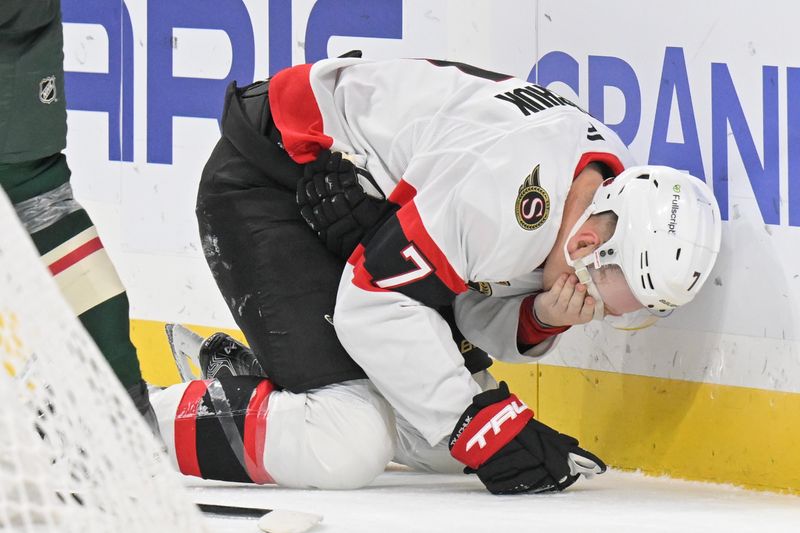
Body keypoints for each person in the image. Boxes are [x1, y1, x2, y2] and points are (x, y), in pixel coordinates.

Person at [151, 55, 722, 493]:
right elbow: (372, 304)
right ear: (590, 244)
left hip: (347, 211)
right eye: (595, 299)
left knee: (444, 443)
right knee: (350, 439)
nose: (589, 311)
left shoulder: (587, 190)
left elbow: (465, 295)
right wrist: (475, 419)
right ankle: (115, 423)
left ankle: (254, 389)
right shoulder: (507, 198)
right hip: (273, 180)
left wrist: (541, 315)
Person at [0, 1, 158, 429]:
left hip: (15, 94)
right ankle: (125, 404)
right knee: (58, 228)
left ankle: (119, 405)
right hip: (25, 99)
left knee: (55, 225)